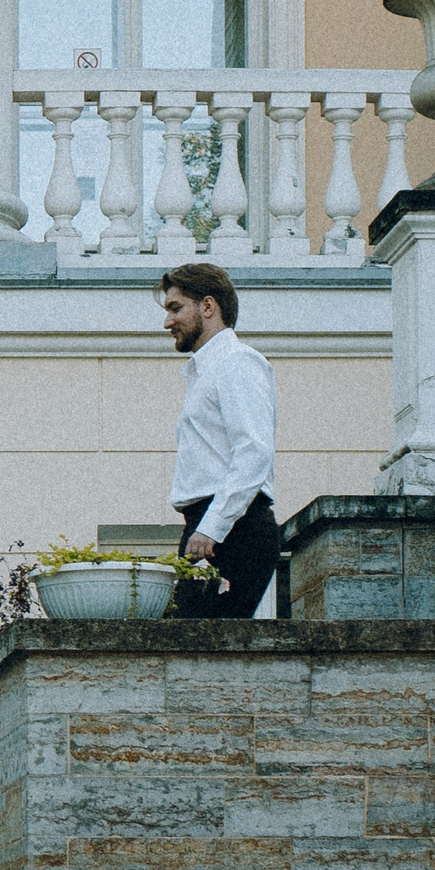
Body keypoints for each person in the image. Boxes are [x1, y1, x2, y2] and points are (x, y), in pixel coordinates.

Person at [160, 262, 279, 619]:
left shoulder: (237, 363)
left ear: (208, 306)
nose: (167, 323)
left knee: (199, 652)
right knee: (184, 651)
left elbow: (254, 451)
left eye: (175, 308)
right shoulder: (208, 370)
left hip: (231, 530)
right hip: (212, 528)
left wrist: (211, 528)